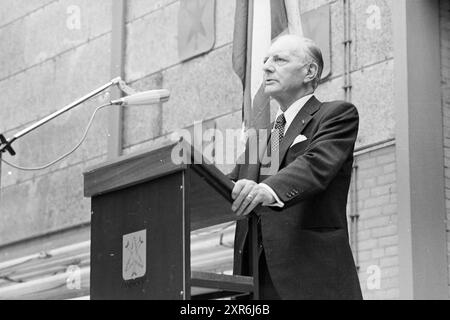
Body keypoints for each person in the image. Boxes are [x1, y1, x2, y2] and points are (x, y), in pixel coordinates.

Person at [228, 35, 362, 300]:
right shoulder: (260, 138)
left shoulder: (335, 115)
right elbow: (226, 188)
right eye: (265, 59)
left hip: (309, 278)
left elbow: (315, 165)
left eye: (278, 59)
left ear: (310, 71)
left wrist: (266, 189)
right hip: (253, 280)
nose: (266, 66)